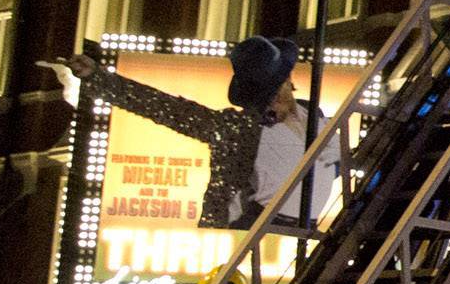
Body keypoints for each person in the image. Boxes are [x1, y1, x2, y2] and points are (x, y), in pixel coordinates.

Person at [49, 35, 332, 233]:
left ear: (289, 82)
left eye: (275, 91)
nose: (271, 102)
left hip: (310, 229)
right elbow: (165, 108)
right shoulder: (237, 128)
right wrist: (98, 78)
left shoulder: (315, 116)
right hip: (260, 229)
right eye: (263, 96)